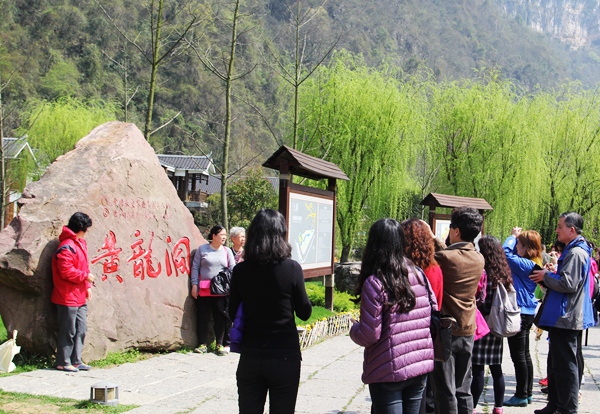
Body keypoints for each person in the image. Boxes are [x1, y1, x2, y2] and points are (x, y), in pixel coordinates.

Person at [228, 209, 312, 414]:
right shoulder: (292, 268)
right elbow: (305, 312)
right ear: (280, 235)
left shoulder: (240, 270)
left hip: (251, 354)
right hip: (284, 354)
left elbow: (232, 312)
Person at [350, 218, 434, 414]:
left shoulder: (375, 282)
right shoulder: (418, 274)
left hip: (387, 368)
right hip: (418, 364)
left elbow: (369, 335)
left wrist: (354, 329)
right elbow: (432, 311)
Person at [530, 212, 595, 414]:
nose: (557, 230)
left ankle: (568, 408)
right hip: (564, 315)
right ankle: (555, 404)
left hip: (567, 316)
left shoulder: (576, 253)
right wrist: (551, 275)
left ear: (572, 229)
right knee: (556, 363)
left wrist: (546, 276)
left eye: (560, 227)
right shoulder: (574, 250)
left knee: (566, 366)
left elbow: (569, 284)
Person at [431, 207, 485, 414]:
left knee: (445, 388)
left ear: (456, 231)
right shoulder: (478, 258)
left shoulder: (445, 258)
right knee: (463, 387)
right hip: (468, 327)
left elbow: (440, 257)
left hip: (448, 329)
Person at [400, 218, 443, 414]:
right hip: (427, 339)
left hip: (404, 339)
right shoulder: (435, 269)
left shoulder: (403, 272)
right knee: (424, 396)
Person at [502, 227, 543, 407]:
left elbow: (505, 254)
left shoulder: (524, 264)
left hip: (520, 312)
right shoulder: (532, 262)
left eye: (519, 244)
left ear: (526, 247)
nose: (516, 246)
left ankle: (521, 394)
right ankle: (527, 392)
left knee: (518, 355)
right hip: (527, 311)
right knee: (525, 354)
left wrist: (512, 237)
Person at [472, 236, 513, 414]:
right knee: (496, 369)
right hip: (496, 325)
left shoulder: (482, 273)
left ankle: (473, 407)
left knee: (478, 369)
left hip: (481, 325)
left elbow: (479, 300)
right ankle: (498, 407)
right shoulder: (503, 274)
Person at [52, 212, 95, 372]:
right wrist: (85, 277)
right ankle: (63, 362)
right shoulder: (66, 246)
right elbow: (66, 271)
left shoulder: (80, 243)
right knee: (68, 330)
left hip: (80, 295)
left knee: (81, 329)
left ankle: (76, 360)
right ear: (81, 228)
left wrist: (87, 286)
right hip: (67, 296)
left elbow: (84, 266)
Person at [190, 225, 235, 356]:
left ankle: (219, 344)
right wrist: (194, 284)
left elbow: (232, 269)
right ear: (214, 236)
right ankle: (202, 344)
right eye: (222, 235)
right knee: (203, 317)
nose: (224, 237)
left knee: (219, 318)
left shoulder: (227, 251)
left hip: (221, 290)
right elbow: (195, 267)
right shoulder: (202, 249)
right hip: (204, 289)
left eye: (225, 235)